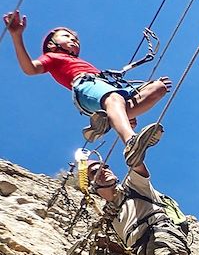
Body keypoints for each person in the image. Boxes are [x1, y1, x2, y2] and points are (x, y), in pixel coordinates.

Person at [3, 10, 170, 165]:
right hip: (85, 86)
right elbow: (30, 69)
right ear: (51, 45)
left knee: (158, 87)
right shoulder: (52, 57)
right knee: (114, 98)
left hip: (105, 85)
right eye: (66, 36)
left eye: (75, 39)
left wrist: (125, 113)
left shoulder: (80, 62)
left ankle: (111, 118)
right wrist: (17, 37)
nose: (73, 39)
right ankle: (131, 142)